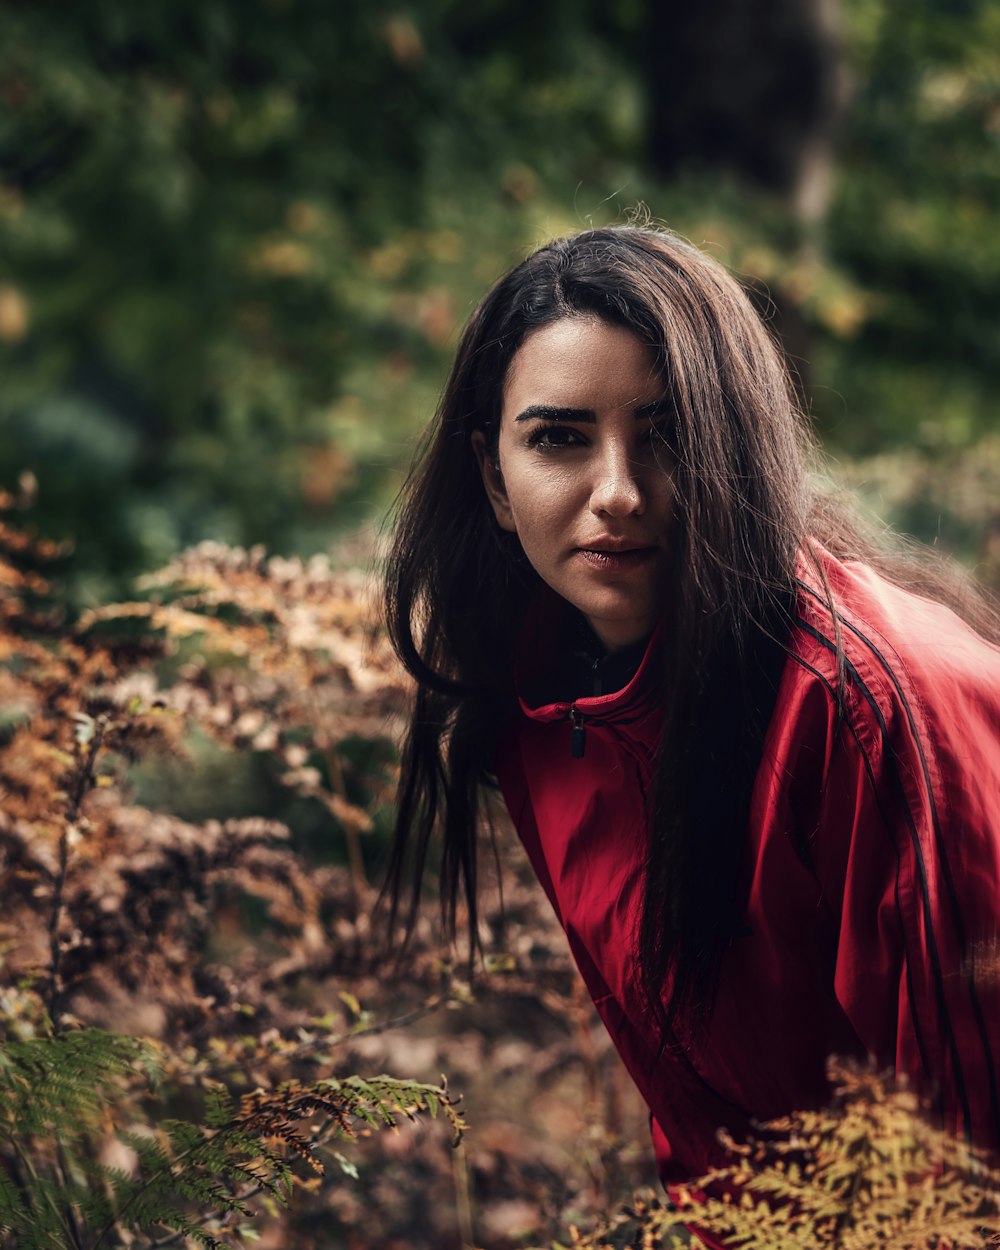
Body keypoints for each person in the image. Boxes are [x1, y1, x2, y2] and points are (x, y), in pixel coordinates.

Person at [381, 224, 1000, 1189]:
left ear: (738, 449)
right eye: (558, 439)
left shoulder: (874, 713)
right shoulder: (543, 710)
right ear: (495, 480)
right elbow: (715, 1137)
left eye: (666, 434)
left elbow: (972, 1167)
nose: (618, 492)